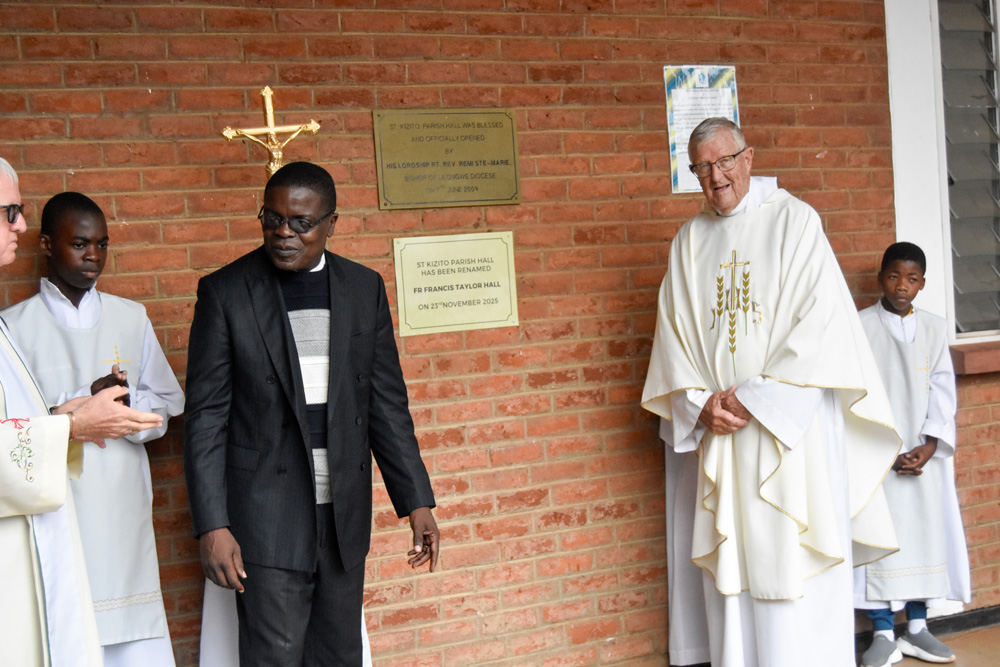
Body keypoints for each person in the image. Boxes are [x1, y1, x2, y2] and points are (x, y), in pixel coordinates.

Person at [641, 118, 902, 667]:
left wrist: (758, 397)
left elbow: (821, 326)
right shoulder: (689, 241)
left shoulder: (796, 223)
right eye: (702, 168)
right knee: (735, 565)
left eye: (725, 161)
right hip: (724, 434)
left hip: (790, 433)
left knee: (791, 552)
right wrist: (698, 403)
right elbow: (673, 337)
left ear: (749, 157)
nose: (716, 178)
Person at [184, 161, 439, 666]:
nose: (284, 232)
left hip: (342, 517)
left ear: (331, 223)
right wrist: (212, 524)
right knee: (274, 658)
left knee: (338, 656)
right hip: (264, 520)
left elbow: (386, 405)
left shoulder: (363, 289)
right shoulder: (225, 292)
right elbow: (206, 419)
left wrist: (417, 501)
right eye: (271, 218)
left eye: (301, 222)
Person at [2, 192, 185, 667]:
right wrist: (81, 406)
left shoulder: (131, 317)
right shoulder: (13, 328)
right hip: (59, 506)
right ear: (45, 244)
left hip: (122, 502)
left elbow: (169, 402)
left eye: (102, 245)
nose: (93, 257)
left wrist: (126, 405)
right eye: (80, 244)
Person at [854, 242, 970, 667]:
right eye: (894, 277)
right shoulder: (860, 327)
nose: (902, 287)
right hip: (877, 454)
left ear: (923, 283)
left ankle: (918, 630)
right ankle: (883, 631)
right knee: (880, 540)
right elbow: (853, 395)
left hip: (924, 454)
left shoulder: (936, 329)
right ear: (880, 277)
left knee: (923, 535)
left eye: (912, 279)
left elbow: (943, 392)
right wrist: (882, 448)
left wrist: (930, 444)